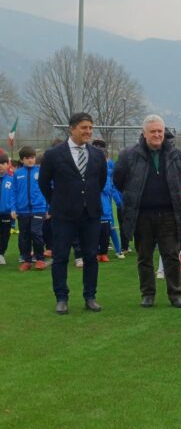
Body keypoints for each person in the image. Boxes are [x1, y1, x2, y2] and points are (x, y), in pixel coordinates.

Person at [114, 114, 181, 308]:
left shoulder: (175, 154)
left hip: (169, 214)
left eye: (160, 131)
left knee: (171, 255)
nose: (157, 135)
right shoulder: (129, 155)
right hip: (141, 215)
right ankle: (147, 294)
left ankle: (175, 294)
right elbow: (118, 181)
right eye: (153, 131)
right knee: (144, 256)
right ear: (144, 133)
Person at [38, 112, 107, 314]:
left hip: (91, 214)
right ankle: (61, 298)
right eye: (84, 128)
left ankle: (90, 296)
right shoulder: (54, 155)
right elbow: (43, 183)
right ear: (72, 128)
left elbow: (100, 182)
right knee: (60, 257)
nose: (88, 132)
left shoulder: (97, 155)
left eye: (90, 128)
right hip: (63, 215)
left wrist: (89, 200)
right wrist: (57, 202)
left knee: (90, 256)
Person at [14, 146, 48, 271]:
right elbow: (14, 192)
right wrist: (14, 208)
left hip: (38, 208)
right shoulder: (17, 173)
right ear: (22, 160)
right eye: (27, 158)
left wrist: (48, 208)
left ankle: (39, 259)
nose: (30, 160)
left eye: (32, 158)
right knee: (24, 236)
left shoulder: (40, 172)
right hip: (22, 210)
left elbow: (47, 190)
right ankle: (27, 260)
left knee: (36, 233)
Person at [0, 151, 13, 265]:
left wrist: (12, 208)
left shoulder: (11, 179)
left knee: (5, 234)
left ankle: (1, 254)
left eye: (3, 163)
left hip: (6, 213)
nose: (0, 166)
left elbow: (15, 196)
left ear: (7, 165)